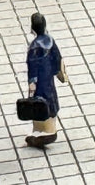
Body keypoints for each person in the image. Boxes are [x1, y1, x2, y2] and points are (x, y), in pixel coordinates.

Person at [25, 13, 67, 148]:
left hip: (39, 81)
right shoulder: (50, 40)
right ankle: (51, 128)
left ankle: (43, 131)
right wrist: (59, 72)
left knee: (39, 103)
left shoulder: (34, 47)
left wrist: (32, 82)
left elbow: (32, 67)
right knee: (50, 100)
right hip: (48, 79)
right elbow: (58, 58)